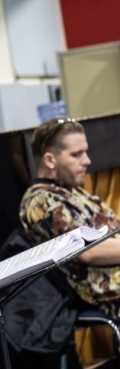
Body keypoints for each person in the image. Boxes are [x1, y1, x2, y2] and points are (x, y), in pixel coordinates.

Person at [19, 117, 120, 318]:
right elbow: (88, 250)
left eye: (85, 152)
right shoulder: (40, 200)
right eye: (77, 154)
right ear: (50, 160)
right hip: (102, 288)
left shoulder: (74, 192)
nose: (87, 161)